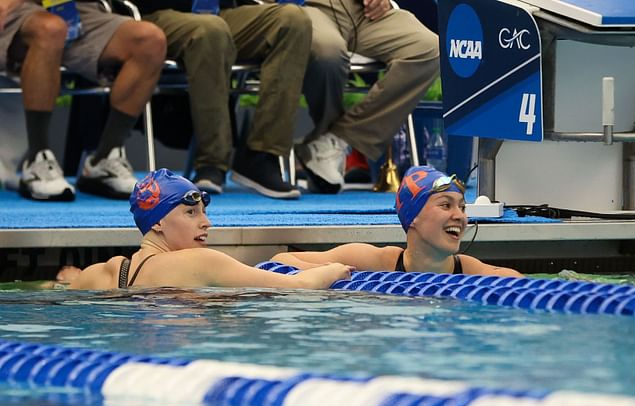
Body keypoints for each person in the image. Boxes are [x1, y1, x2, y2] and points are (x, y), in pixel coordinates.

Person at [131, 0, 311, 199]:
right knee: (210, 30)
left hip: (222, 12)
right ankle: (211, 162)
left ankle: (262, 155)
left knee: (293, 19)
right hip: (157, 14)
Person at [64, 168, 353, 290]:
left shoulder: (102, 274)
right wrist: (335, 269)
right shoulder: (201, 262)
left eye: (204, 212)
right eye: (191, 212)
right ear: (157, 222)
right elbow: (299, 287)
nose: (206, 222)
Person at [0, 0, 167, 201]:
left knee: (149, 40)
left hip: (77, 9)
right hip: (17, 8)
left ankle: (104, 159)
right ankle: (37, 159)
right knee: (50, 27)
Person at [287, 0, 441, 193]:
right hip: (312, 7)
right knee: (328, 54)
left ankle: (336, 140)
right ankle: (325, 143)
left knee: (429, 49)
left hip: (365, 11)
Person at [272, 166, 524, 277]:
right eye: (446, 205)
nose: (460, 216)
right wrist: (329, 272)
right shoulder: (374, 261)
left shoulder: (469, 271)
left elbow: (515, 281)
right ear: (412, 217)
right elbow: (281, 260)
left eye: (462, 207)